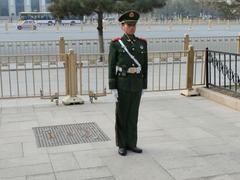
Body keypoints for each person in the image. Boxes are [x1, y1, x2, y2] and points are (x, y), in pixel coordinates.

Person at [108, 10, 148, 156]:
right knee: (122, 115)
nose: (132, 27)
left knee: (133, 115)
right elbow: (111, 65)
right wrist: (113, 87)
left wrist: (144, 84)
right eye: (129, 25)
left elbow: (145, 65)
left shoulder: (142, 43)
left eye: (134, 25)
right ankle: (122, 144)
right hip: (122, 84)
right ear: (122, 26)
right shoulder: (116, 44)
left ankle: (132, 143)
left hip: (136, 84)